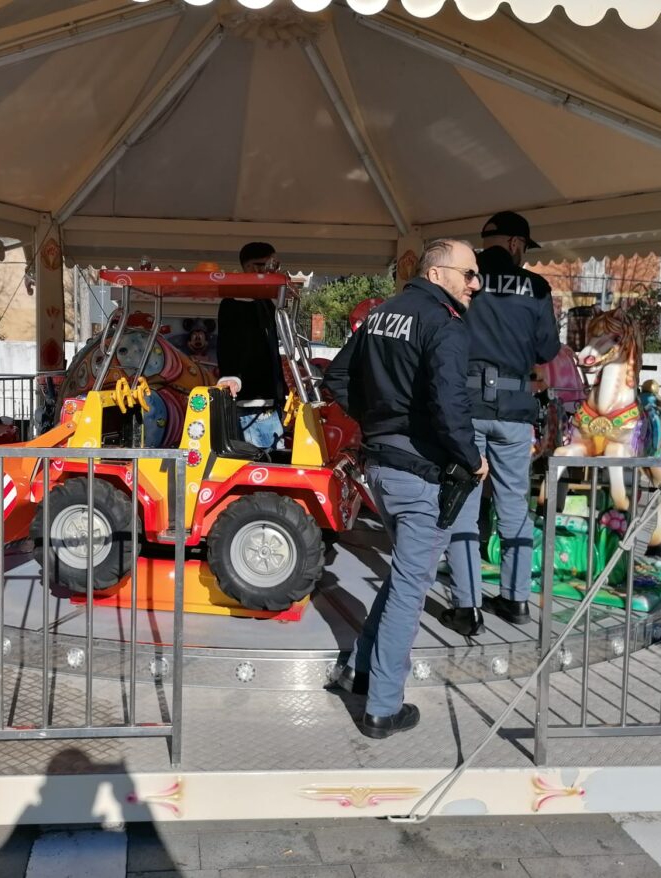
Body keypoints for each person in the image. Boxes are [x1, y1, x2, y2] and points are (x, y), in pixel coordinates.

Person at [322, 240, 487, 739]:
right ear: (438, 274)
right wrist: (472, 458)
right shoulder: (445, 323)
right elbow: (449, 403)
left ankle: (359, 669)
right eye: (470, 274)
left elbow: (336, 376)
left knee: (405, 577)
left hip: (381, 467)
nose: (476, 284)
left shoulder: (381, 315)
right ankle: (382, 708)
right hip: (419, 473)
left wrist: (378, 420)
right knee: (411, 589)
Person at [446, 211, 561, 632]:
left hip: (466, 406)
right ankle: (514, 601)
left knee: (464, 505)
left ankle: (466, 606)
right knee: (514, 506)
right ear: (515, 244)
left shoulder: (463, 280)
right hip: (514, 410)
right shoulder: (536, 287)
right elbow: (547, 349)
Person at [216, 242, 287, 450]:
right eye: (270, 264)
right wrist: (232, 376)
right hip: (252, 401)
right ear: (253, 267)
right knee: (267, 460)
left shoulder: (264, 302)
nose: (275, 270)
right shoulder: (236, 302)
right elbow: (229, 345)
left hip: (268, 398)